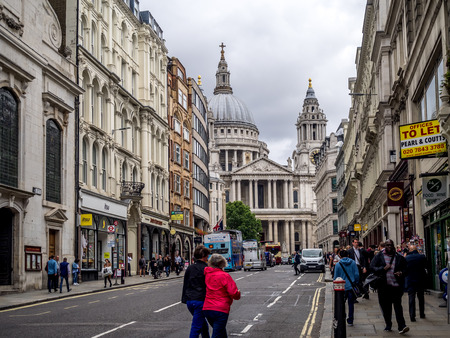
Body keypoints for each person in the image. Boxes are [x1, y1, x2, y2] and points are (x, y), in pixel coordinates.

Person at [370, 239, 409, 334]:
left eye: (391, 245)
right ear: (385, 246)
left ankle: (402, 326)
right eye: (387, 245)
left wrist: (401, 273)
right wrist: (382, 269)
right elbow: (372, 267)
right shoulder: (379, 256)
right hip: (383, 287)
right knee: (386, 307)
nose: (389, 247)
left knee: (398, 307)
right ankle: (388, 324)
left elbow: (406, 269)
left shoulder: (399, 257)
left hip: (396, 287)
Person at [203, 254, 241, 338]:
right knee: (217, 334)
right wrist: (238, 293)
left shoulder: (207, 274)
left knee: (221, 331)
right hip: (220, 309)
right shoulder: (224, 276)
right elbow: (233, 293)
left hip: (207, 308)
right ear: (222, 263)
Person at [182, 245, 211, 338]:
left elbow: (186, 284)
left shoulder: (190, 268)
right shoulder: (207, 269)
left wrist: (184, 299)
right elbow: (210, 286)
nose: (208, 257)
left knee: (202, 324)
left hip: (190, 301)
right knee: (196, 327)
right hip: (200, 301)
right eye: (207, 255)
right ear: (204, 256)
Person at [333, 249, 359, 326]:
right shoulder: (353, 263)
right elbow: (357, 275)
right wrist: (355, 283)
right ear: (348, 255)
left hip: (342, 288)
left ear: (340, 256)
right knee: (351, 304)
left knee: (341, 303)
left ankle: (342, 316)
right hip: (351, 287)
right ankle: (350, 320)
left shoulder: (338, 264)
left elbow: (335, 277)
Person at [405, 245, 427, 321]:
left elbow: (405, 269)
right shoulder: (422, 257)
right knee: (421, 297)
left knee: (411, 298)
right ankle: (422, 313)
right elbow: (425, 266)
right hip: (420, 279)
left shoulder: (407, 258)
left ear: (410, 250)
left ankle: (412, 316)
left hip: (410, 280)